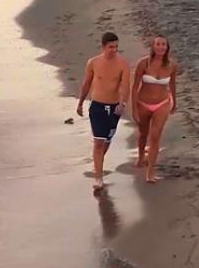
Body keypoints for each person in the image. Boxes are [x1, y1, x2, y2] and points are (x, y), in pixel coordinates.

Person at [74, 32, 130, 193]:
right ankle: (98, 178)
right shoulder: (93, 62)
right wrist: (80, 103)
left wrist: (122, 102)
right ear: (103, 47)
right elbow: (86, 83)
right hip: (97, 106)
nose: (114, 50)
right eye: (111, 47)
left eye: (116, 47)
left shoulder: (123, 64)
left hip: (114, 109)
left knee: (106, 142)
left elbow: (125, 85)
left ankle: (98, 163)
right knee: (98, 142)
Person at [127, 35, 179, 183]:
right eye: (158, 44)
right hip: (143, 103)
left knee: (155, 136)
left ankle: (150, 172)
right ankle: (141, 156)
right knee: (143, 133)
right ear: (153, 46)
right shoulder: (143, 63)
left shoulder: (172, 65)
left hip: (162, 103)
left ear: (167, 47)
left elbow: (172, 85)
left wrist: (174, 101)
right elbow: (135, 87)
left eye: (163, 44)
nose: (161, 47)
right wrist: (134, 108)